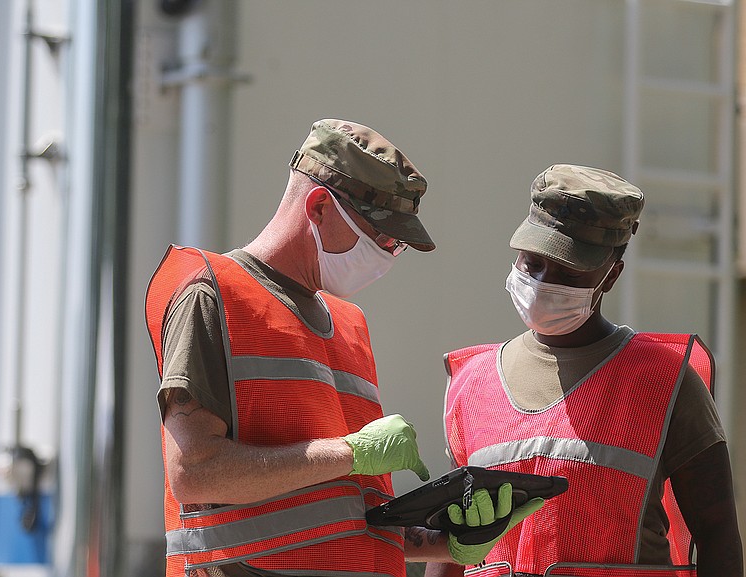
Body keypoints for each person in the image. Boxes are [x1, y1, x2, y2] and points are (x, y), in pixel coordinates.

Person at [144, 119, 543, 577]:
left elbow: (343, 514)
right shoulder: (211, 295)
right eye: (382, 238)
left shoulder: (348, 325)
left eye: (396, 245)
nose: (388, 254)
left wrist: (449, 545)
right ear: (318, 207)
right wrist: (351, 453)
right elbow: (194, 473)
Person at [429, 164, 743, 577]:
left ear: (610, 276)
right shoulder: (473, 383)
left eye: (568, 272)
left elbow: (717, 532)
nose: (543, 282)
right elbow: (452, 544)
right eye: (533, 263)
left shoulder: (664, 382)